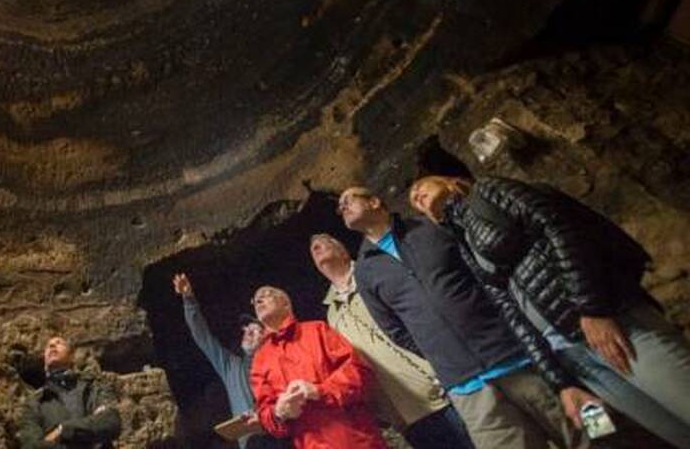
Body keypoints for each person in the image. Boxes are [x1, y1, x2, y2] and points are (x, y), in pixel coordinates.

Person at [409, 174, 690, 448]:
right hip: (570, 354)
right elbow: (509, 309)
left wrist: (592, 309)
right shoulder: (464, 242)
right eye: (413, 201)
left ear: (448, 180)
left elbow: (561, 228)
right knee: (670, 433)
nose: (416, 195)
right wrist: (560, 382)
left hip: (607, 322)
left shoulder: (488, 190)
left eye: (421, 186)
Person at [339, 186, 592, 449]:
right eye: (340, 206)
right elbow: (396, 331)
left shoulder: (429, 228)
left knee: (590, 433)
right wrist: (445, 354)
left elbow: (484, 277)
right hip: (467, 387)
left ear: (374, 201)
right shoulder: (366, 271)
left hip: (516, 356)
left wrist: (505, 329)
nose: (342, 207)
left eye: (349, 199)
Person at [309, 234, 475, 448]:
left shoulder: (374, 274)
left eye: (326, 242)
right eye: (314, 249)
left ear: (343, 250)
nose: (318, 247)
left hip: (440, 390)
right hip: (404, 414)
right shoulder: (332, 314)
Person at [247, 284, 387, 448]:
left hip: (358, 441)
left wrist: (320, 391)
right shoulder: (260, 360)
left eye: (266, 294)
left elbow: (360, 371)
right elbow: (264, 413)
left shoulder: (318, 330)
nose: (259, 300)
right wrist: (279, 412)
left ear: (285, 303)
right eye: (256, 300)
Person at [172, 272, 284, 448]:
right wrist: (189, 299)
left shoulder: (278, 360)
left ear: (267, 336)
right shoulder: (232, 367)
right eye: (245, 329)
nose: (247, 332)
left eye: (255, 329)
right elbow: (203, 337)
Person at [15, 336, 122, 448]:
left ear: (71, 357)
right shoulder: (35, 403)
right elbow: (32, 446)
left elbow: (111, 422)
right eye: (48, 346)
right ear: (44, 363)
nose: (52, 346)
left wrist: (63, 430)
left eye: (59, 343)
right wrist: (88, 431)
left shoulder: (92, 387)